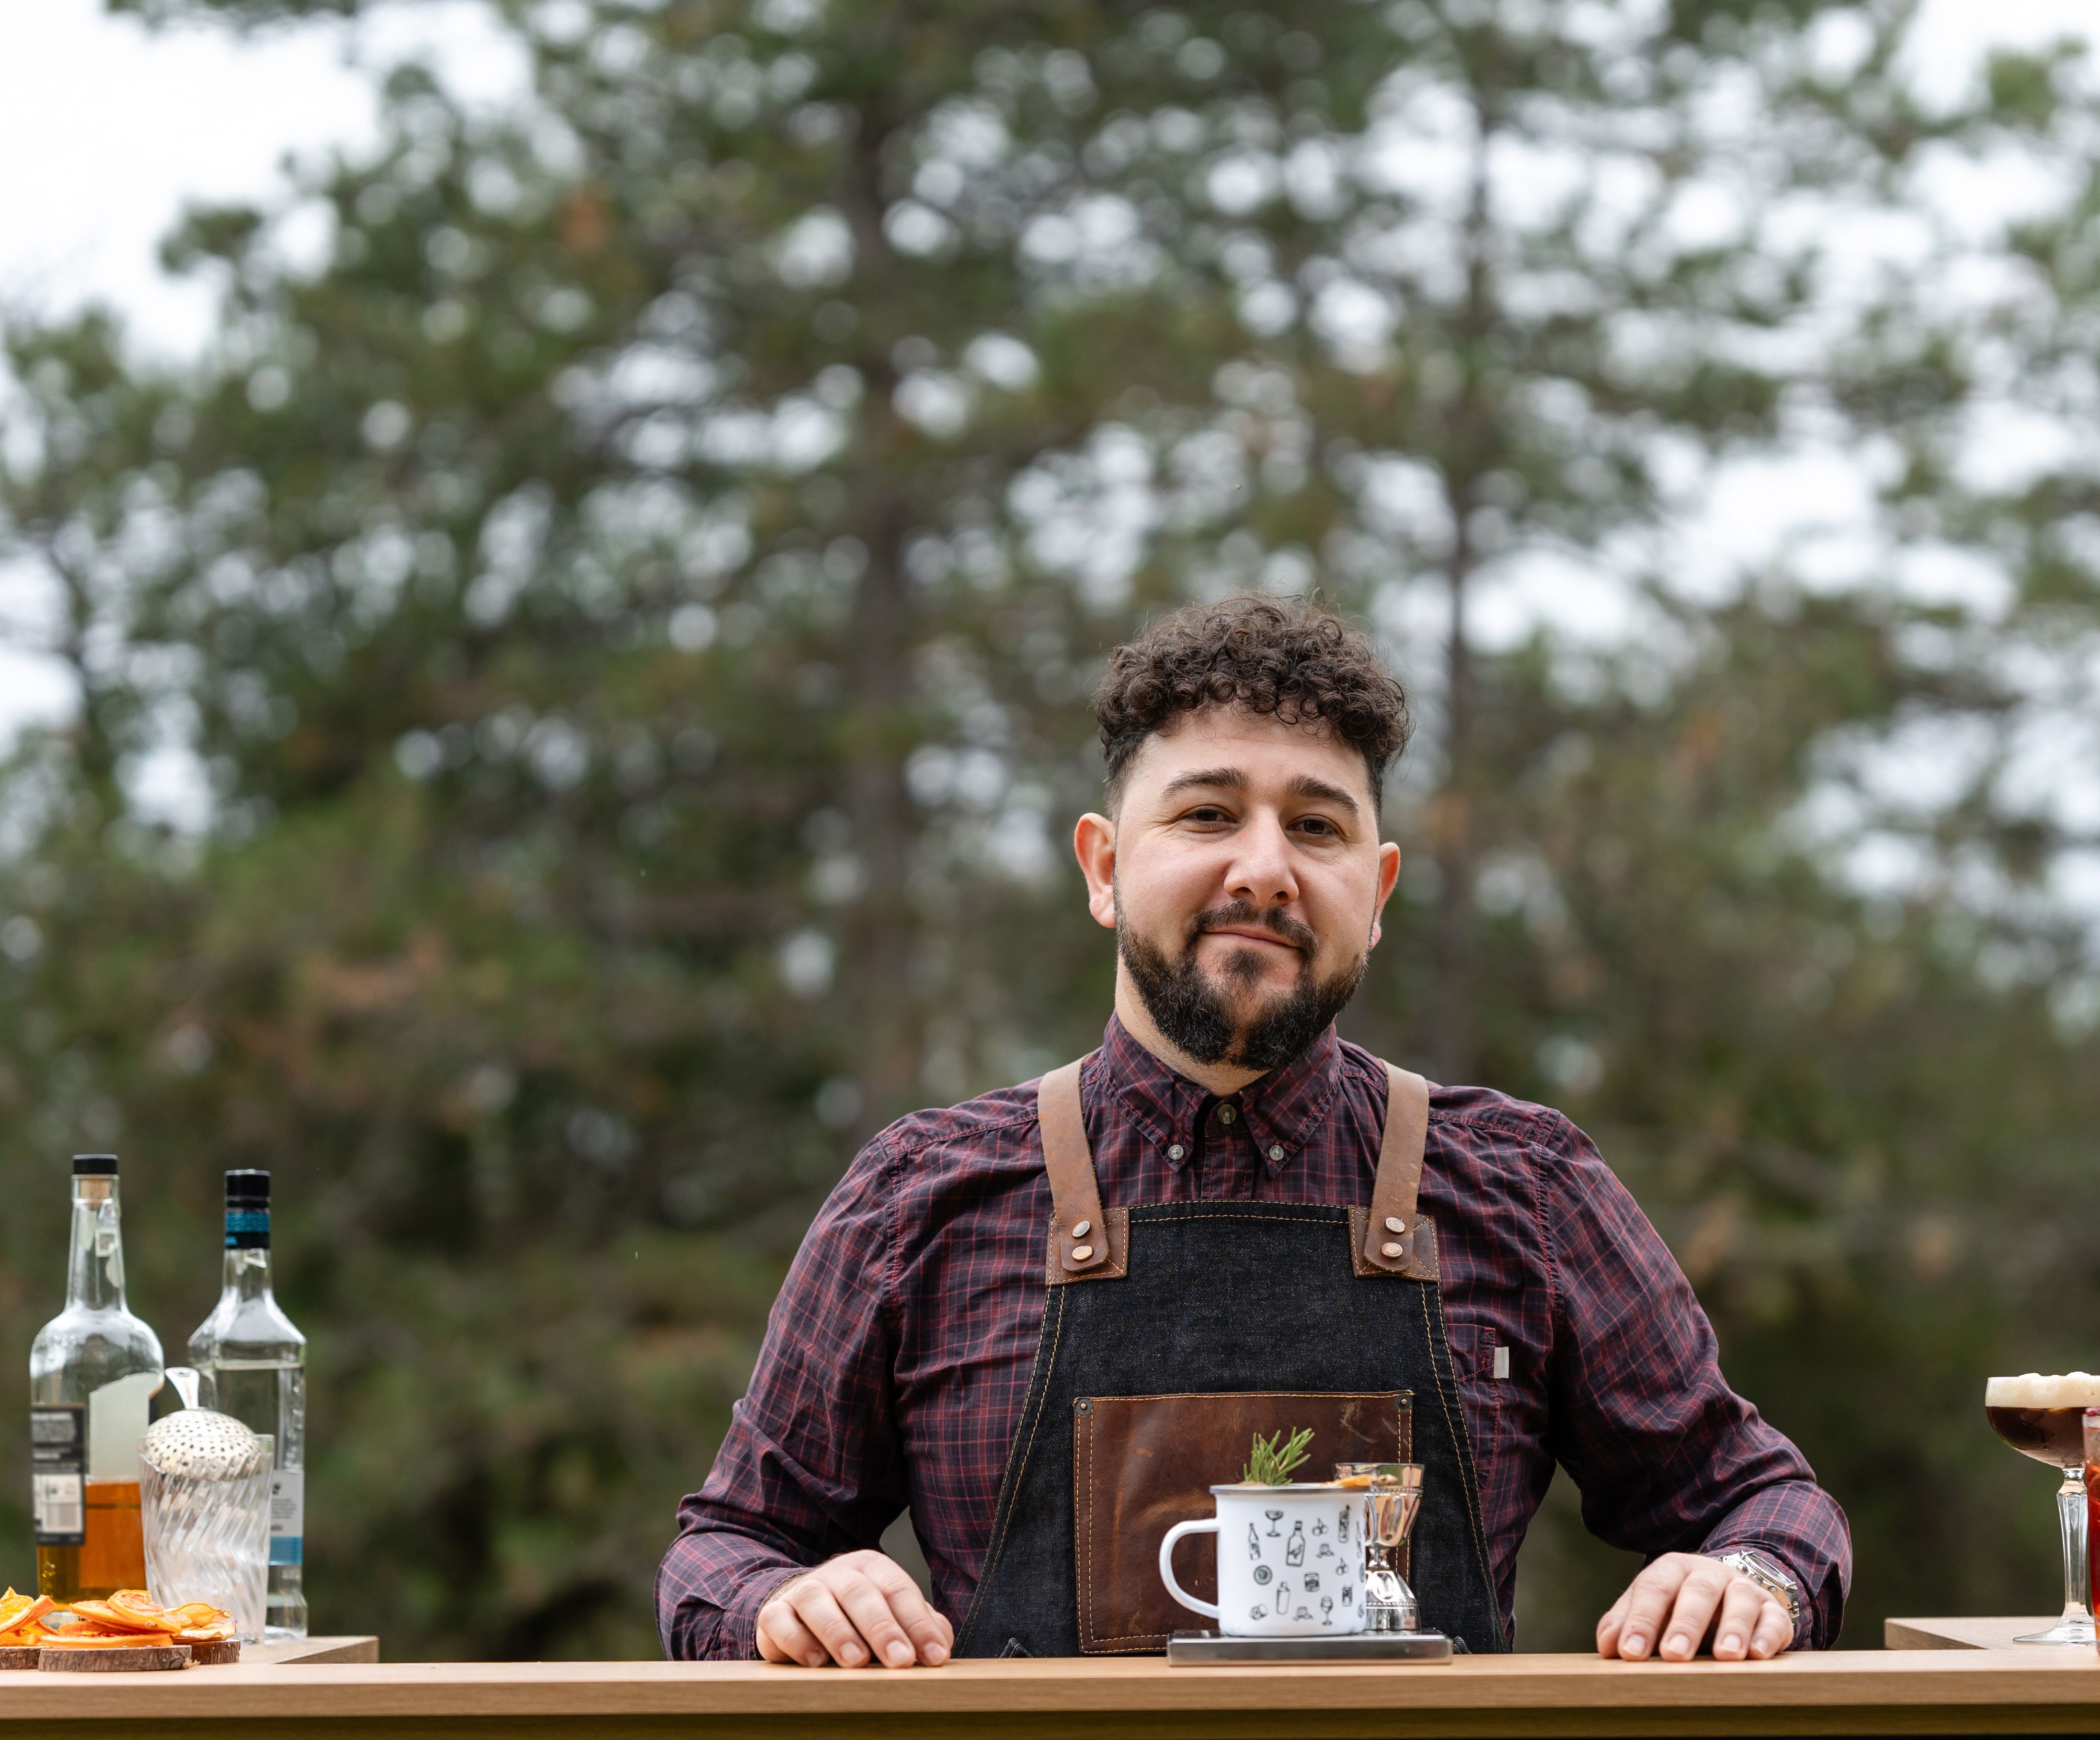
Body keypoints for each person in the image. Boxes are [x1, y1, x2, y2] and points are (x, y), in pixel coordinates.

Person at [657, 596, 1849, 1667]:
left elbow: (1763, 1507)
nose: (1266, 869)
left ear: (1377, 896)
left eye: (1318, 827)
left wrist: (1747, 1576)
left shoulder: (1525, 1186)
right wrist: (784, 1598)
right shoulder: (920, 1195)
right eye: (1208, 813)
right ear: (1103, 866)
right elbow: (729, 1548)